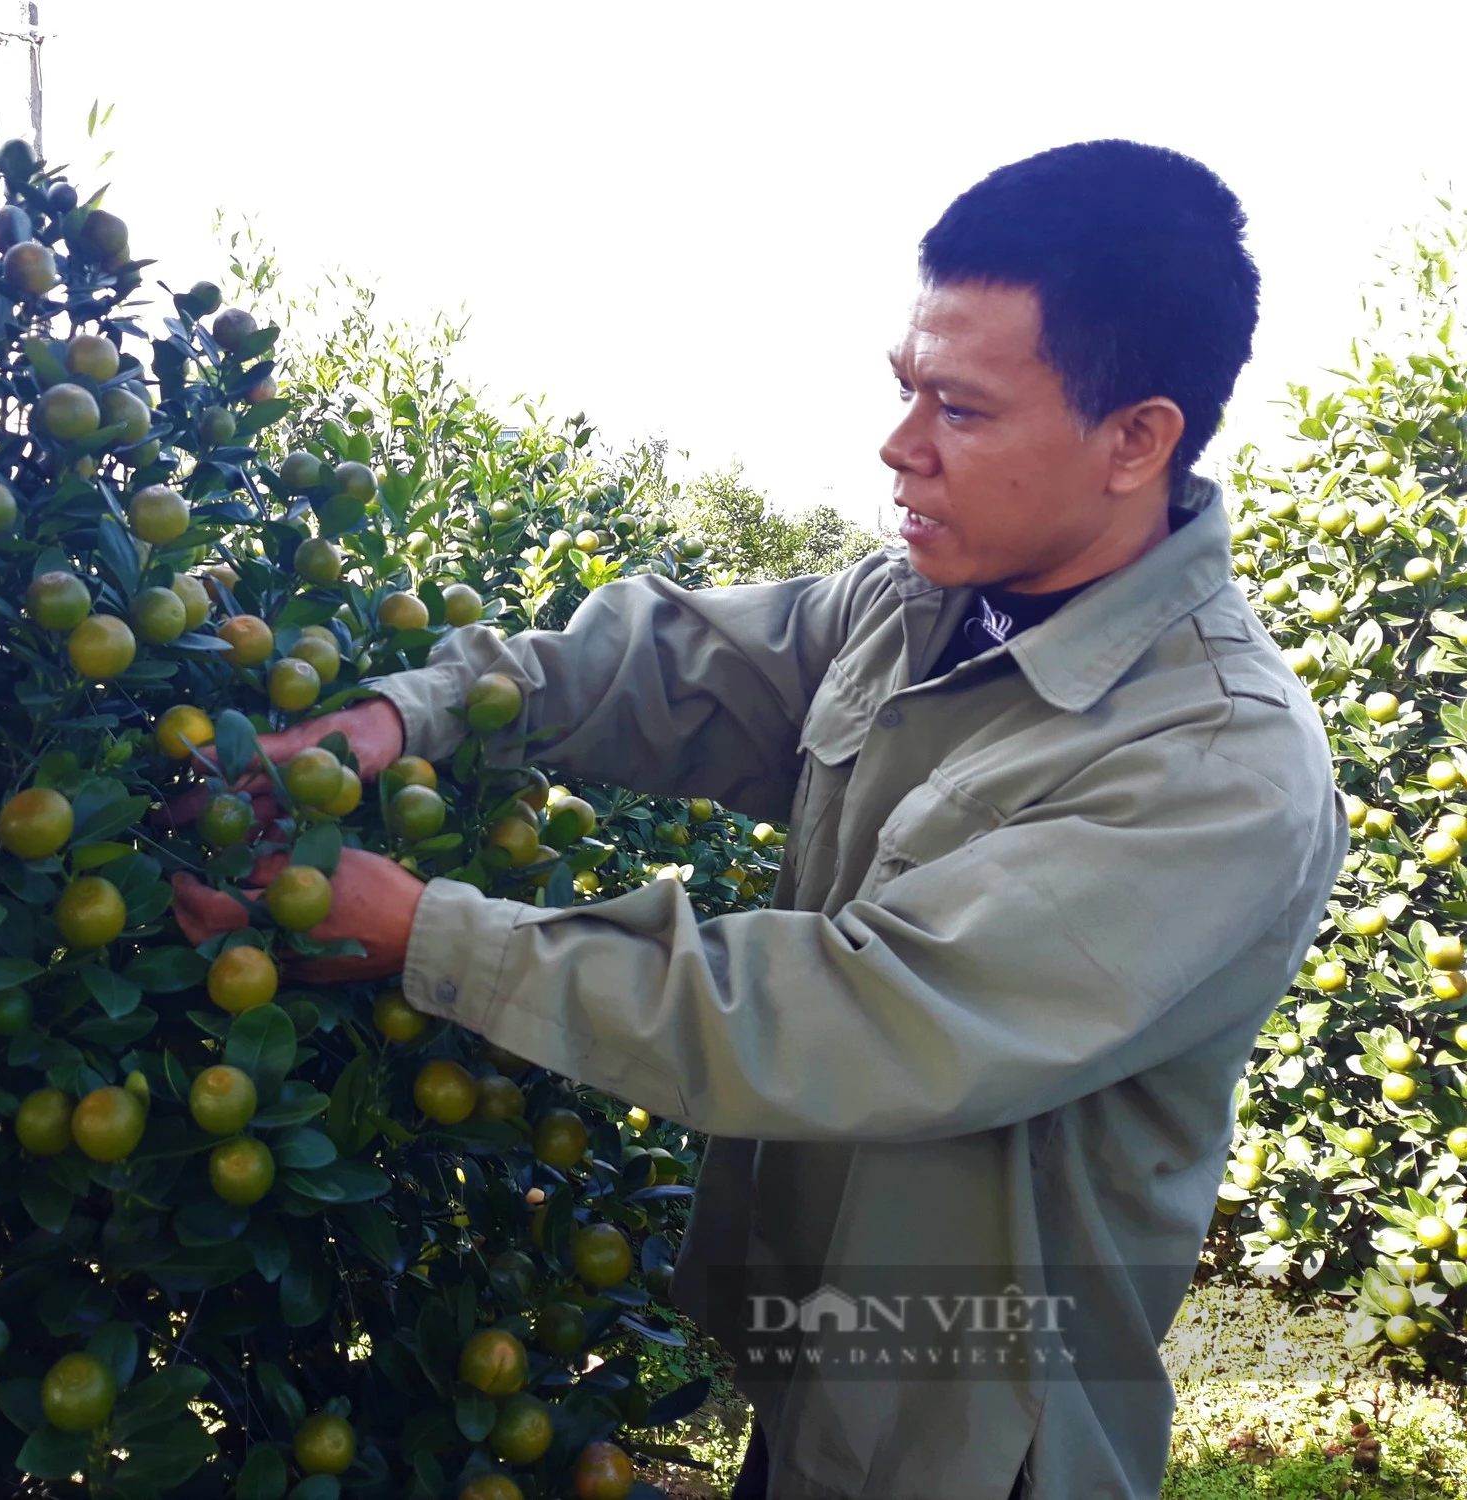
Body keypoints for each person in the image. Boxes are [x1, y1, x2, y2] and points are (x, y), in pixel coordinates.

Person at [172, 139, 1345, 1499]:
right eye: (905, 388)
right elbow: (661, 667)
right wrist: (407, 713)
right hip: (816, 1372)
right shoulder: (919, 608)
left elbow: (854, 1015)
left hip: (978, 1434)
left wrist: (426, 932)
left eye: (959, 410)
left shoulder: (1215, 764)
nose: (899, 444)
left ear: (1137, 438)